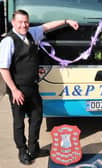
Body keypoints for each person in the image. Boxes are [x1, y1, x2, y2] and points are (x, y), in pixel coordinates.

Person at [0, 9, 79, 165]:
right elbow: (3, 68)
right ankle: (22, 151)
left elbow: (47, 27)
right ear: (13, 22)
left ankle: (34, 148)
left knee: (36, 118)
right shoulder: (8, 41)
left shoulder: (30, 33)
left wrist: (66, 21)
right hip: (18, 89)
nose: (24, 25)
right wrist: (14, 90)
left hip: (32, 86)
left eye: (26, 22)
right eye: (20, 22)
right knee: (19, 122)